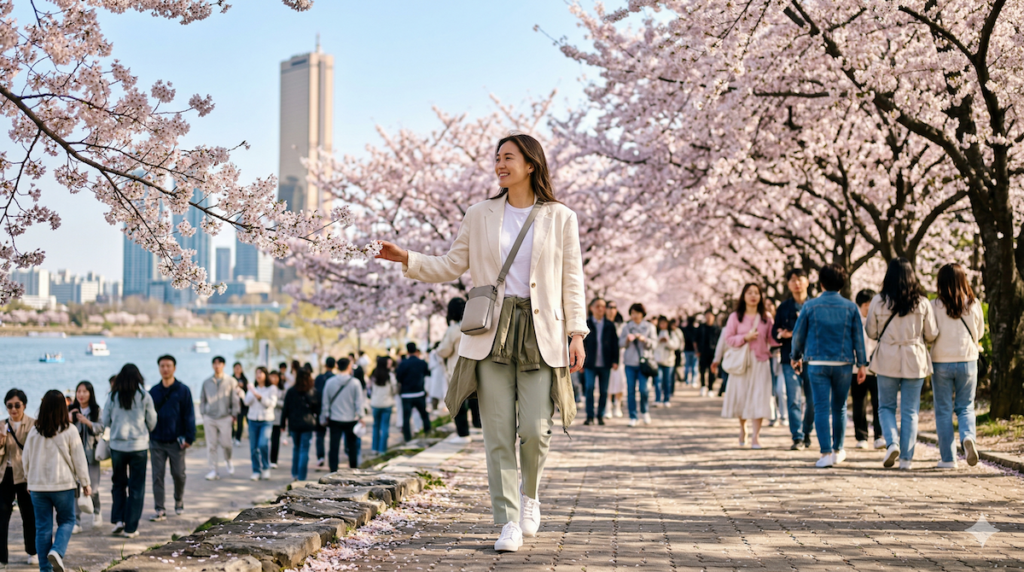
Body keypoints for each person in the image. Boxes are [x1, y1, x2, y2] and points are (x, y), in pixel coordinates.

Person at [374, 133, 587, 553]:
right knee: (497, 431)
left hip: (540, 333)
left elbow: (572, 278)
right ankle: (507, 519)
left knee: (535, 429)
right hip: (490, 332)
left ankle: (530, 496)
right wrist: (407, 259)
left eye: (508, 157)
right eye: (496, 158)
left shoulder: (561, 216)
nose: (499, 164)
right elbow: (454, 263)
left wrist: (576, 332)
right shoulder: (480, 213)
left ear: (531, 164)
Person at [790, 264, 867, 468]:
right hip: (843, 363)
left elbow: (798, 334)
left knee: (821, 407)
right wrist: (862, 364)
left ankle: (824, 454)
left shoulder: (810, 306)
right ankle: (838, 449)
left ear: (821, 283)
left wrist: (795, 355)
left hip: (816, 362)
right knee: (839, 407)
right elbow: (858, 337)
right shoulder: (851, 307)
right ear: (842, 283)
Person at [867, 257, 939, 470]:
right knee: (910, 411)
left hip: (887, 357)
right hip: (914, 357)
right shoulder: (922, 302)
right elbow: (932, 333)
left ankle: (892, 442)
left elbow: (871, 331)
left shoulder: (878, 301)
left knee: (886, 407)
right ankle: (906, 459)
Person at [23, 390, 91, 572]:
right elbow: (79, 459)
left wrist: (29, 480)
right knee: (67, 521)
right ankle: (57, 551)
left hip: (37, 486)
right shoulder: (69, 430)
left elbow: (25, 458)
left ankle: (45, 569)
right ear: (64, 408)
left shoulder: (35, 431)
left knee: (43, 528)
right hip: (63, 485)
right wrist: (85, 483)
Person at [931, 263, 985, 469]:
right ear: (964, 280)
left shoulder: (934, 305)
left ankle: (948, 459)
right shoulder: (973, 303)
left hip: (941, 361)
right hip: (968, 360)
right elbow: (979, 334)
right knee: (965, 407)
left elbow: (930, 333)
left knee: (943, 410)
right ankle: (968, 437)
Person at [102, 364, 157, 538]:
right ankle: (130, 528)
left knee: (118, 484)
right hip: (139, 447)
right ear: (138, 378)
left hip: (118, 446)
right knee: (136, 487)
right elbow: (152, 420)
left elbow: (105, 420)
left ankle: (118, 519)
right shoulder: (144, 396)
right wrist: (144, 430)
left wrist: (116, 428)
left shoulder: (112, 396)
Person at [721, 283, 777, 448]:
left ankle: (756, 436)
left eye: (757, 293)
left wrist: (783, 334)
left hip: (760, 362)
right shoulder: (735, 317)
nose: (753, 296)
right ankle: (743, 428)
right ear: (743, 296)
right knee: (742, 396)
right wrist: (745, 337)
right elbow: (728, 339)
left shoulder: (766, 317)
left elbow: (772, 340)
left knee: (760, 397)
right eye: (749, 292)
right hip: (741, 363)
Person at [148, 355, 195, 521]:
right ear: (159, 368)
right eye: (162, 366)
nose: (165, 369)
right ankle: (159, 508)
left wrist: (190, 437)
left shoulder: (183, 390)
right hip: (156, 440)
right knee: (157, 476)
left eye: (168, 366)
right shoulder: (153, 391)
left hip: (177, 441)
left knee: (179, 474)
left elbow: (189, 415)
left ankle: (178, 501)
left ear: (174, 368)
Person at [772, 268, 815, 450]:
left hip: (812, 358)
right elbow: (775, 332)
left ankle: (807, 431)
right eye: (793, 280)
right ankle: (797, 436)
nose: (797, 283)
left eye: (800, 279)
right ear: (788, 284)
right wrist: (785, 334)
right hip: (789, 358)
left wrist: (794, 333)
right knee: (793, 398)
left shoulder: (815, 305)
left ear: (807, 281)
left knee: (812, 400)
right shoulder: (783, 307)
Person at [0, 389, 37, 567]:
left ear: (24, 405)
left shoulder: (33, 425)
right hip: (5, 475)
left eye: (17, 405)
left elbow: (36, 452)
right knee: (1, 517)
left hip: (25, 475)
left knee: (29, 516)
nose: (13, 409)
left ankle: (32, 551)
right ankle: (2, 559)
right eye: (9, 405)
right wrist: (0, 443)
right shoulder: (1, 425)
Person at [438, 297, 479, 443]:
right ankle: (478, 426)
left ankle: (463, 434)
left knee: (459, 402)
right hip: (476, 367)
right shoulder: (476, 326)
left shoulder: (453, 329)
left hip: (457, 369)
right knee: (476, 399)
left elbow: (444, 350)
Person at [851, 290, 884, 450]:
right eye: (867, 305)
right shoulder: (853, 319)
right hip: (856, 369)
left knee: (879, 403)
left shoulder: (879, 319)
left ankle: (879, 436)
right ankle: (861, 436)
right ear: (862, 305)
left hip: (876, 368)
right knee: (859, 403)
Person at [68, 382, 103, 532]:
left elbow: (101, 427)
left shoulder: (96, 410)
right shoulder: (71, 410)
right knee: (75, 488)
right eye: (79, 391)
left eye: (84, 391)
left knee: (92, 488)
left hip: (91, 454)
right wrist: (69, 418)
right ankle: (77, 521)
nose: (81, 394)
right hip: (73, 455)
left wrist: (87, 422)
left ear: (90, 393)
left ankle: (97, 512)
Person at [320, 358, 365, 470]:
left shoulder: (330, 382)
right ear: (349, 367)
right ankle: (353, 468)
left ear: (337, 366)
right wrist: (361, 416)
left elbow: (325, 402)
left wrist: (323, 416)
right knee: (352, 446)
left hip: (334, 419)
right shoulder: (355, 383)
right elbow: (359, 402)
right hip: (351, 419)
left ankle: (333, 470)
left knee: (334, 446)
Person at [200, 356, 240, 481]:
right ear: (212, 365)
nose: (217, 366)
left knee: (226, 444)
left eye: (219, 363)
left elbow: (235, 399)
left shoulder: (231, 381)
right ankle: (213, 470)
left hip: (225, 417)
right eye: (215, 364)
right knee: (211, 445)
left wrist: (234, 414)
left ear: (223, 365)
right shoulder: (207, 382)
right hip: (210, 417)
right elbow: (202, 399)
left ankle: (228, 460)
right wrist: (203, 413)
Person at [583, 297, 619, 425]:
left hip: (606, 363)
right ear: (591, 308)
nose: (600, 309)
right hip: (589, 363)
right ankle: (589, 416)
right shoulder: (585, 323)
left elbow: (615, 343)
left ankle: (600, 415)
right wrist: (579, 361)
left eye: (603, 306)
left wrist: (616, 360)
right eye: (597, 306)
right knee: (589, 388)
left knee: (604, 390)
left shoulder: (610, 325)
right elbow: (580, 343)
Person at [620, 303, 656, 427]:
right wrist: (627, 340)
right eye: (633, 313)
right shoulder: (627, 327)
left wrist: (644, 340)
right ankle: (633, 416)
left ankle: (645, 411)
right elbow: (620, 343)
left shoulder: (649, 327)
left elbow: (654, 344)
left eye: (637, 313)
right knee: (630, 390)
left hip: (643, 362)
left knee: (644, 389)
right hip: (629, 363)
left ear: (642, 314)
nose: (635, 315)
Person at [282, 367, 320, 482]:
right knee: (304, 450)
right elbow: (317, 409)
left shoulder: (291, 391)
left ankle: (294, 474)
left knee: (296, 448)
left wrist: (282, 423)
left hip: (294, 424)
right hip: (307, 424)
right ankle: (302, 477)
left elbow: (285, 409)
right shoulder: (312, 391)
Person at [243, 367, 279, 480]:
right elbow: (246, 402)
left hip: (266, 420)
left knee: (263, 444)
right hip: (252, 420)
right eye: (256, 373)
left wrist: (259, 396)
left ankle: (266, 467)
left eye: (261, 373)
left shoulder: (272, 388)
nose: (258, 375)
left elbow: (271, 404)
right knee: (253, 448)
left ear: (265, 375)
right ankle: (256, 470)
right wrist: (252, 391)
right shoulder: (253, 388)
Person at [395, 343, 431, 442]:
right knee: (424, 414)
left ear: (407, 351)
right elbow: (427, 374)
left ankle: (407, 438)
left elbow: (398, 378)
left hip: (406, 394)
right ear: (416, 350)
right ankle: (428, 432)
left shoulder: (403, 363)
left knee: (406, 418)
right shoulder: (422, 362)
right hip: (419, 393)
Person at [368, 356, 398, 454]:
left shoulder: (373, 375)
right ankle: (382, 450)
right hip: (386, 404)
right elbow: (394, 390)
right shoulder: (390, 376)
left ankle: (374, 448)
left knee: (376, 426)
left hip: (375, 404)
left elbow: (369, 388)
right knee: (384, 427)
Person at [312, 357, 336, 468]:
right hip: (333, 411)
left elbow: (314, 393)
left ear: (325, 365)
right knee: (333, 436)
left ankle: (320, 456)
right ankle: (332, 458)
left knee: (320, 435)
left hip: (319, 410)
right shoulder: (335, 379)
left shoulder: (318, 378)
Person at [653, 315, 681, 408]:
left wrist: (667, 342)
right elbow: (652, 345)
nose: (663, 325)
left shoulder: (671, 333)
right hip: (658, 360)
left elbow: (676, 345)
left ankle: (666, 399)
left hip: (669, 361)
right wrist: (658, 341)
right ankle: (657, 399)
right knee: (658, 381)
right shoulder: (656, 333)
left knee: (667, 381)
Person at [605, 303, 626, 418]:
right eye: (609, 307)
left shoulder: (622, 325)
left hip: (621, 358)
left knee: (620, 383)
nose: (612, 310)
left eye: (614, 307)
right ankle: (607, 407)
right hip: (606, 358)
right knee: (607, 383)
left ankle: (617, 406)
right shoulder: (602, 323)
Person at [696, 311, 720, 397]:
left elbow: (720, 341)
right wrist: (697, 350)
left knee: (712, 371)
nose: (709, 317)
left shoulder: (717, 328)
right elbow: (696, 339)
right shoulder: (701, 327)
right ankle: (703, 386)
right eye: (707, 316)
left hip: (713, 352)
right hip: (703, 352)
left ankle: (710, 388)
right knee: (702, 370)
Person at [268, 368, 286, 469]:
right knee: (265, 441)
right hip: (265, 418)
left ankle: (273, 460)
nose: (273, 379)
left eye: (276, 377)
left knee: (275, 441)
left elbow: (285, 404)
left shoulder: (282, 391)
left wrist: (274, 402)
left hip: (277, 419)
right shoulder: (266, 389)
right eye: (272, 376)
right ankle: (266, 459)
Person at [231, 362, 249, 447]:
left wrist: (242, 387)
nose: (237, 369)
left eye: (239, 367)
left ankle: (238, 438)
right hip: (233, 404)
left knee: (240, 422)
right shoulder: (231, 379)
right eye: (236, 367)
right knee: (231, 422)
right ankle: (232, 436)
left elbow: (248, 391)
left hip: (243, 405)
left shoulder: (245, 379)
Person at [682, 316, 699, 387]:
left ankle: (686, 380)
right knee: (694, 366)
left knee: (687, 366)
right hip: (694, 350)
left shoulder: (685, 329)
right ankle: (693, 381)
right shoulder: (695, 329)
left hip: (686, 349)